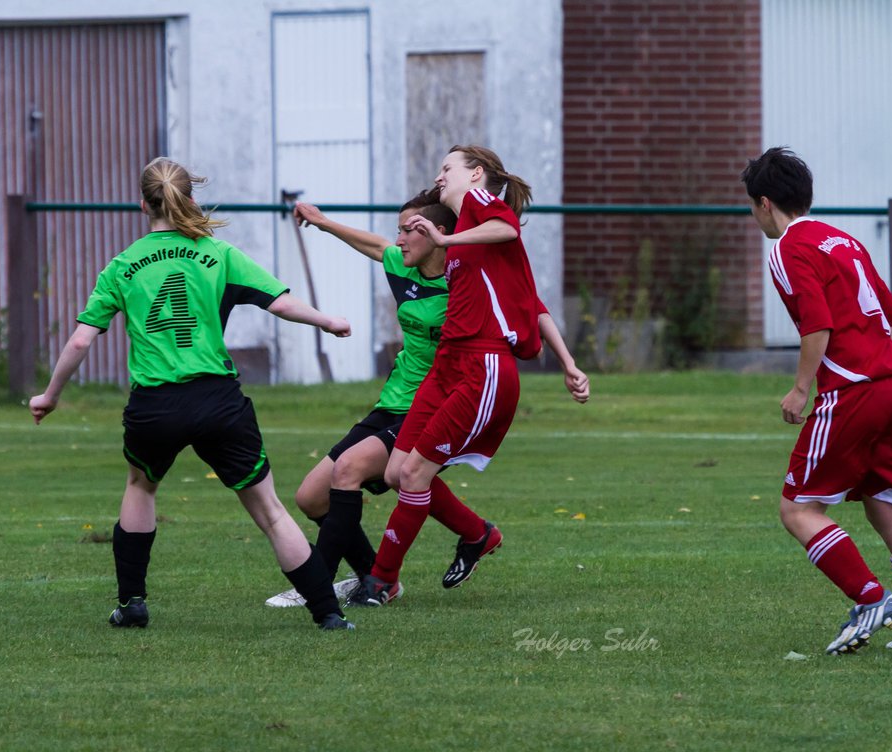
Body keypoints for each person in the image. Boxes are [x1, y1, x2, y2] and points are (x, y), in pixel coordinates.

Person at [29, 157, 356, 631]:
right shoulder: (218, 254)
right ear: (190, 200)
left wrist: (51, 396)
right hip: (218, 402)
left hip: (154, 405)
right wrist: (327, 320)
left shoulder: (123, 265)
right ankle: (328, 615)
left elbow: (81, 339)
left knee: (141, 486)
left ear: (143, 204)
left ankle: (133, 604)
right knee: (269, 511)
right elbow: (279, 302)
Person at [350, 145, 590, 606]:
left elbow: (508, 226)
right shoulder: (466, 233)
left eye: (447, 169)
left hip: (483, 366)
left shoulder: (479, 209)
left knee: (416, 474)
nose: (440, 177)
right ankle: (477, 535)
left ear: (476, 174)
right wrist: (569, 363)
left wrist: (444, 242)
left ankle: (380, 583)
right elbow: (530, 300)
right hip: (448, 364)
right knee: (399, 473)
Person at [741, 146, 892, 654]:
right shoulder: (844, 239)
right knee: (888, 509)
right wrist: (876, 364)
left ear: (765, 203)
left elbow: (818, 324)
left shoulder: (788, 249)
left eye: (752, 206)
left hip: (853, 390)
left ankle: (871, 598)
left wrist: (801, 387)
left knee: (798, 510)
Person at [265, 188, 457, 608]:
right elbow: (376, 245)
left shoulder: (464, 282)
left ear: (439, 234)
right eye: (399, 231)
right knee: (310, 497)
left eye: (410, 231)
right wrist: (322, 221)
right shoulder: (403, 267)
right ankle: (375, 576)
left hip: (428, 409)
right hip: (390, 402)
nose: (400, 240)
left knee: (349, 470)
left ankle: (314, 584)